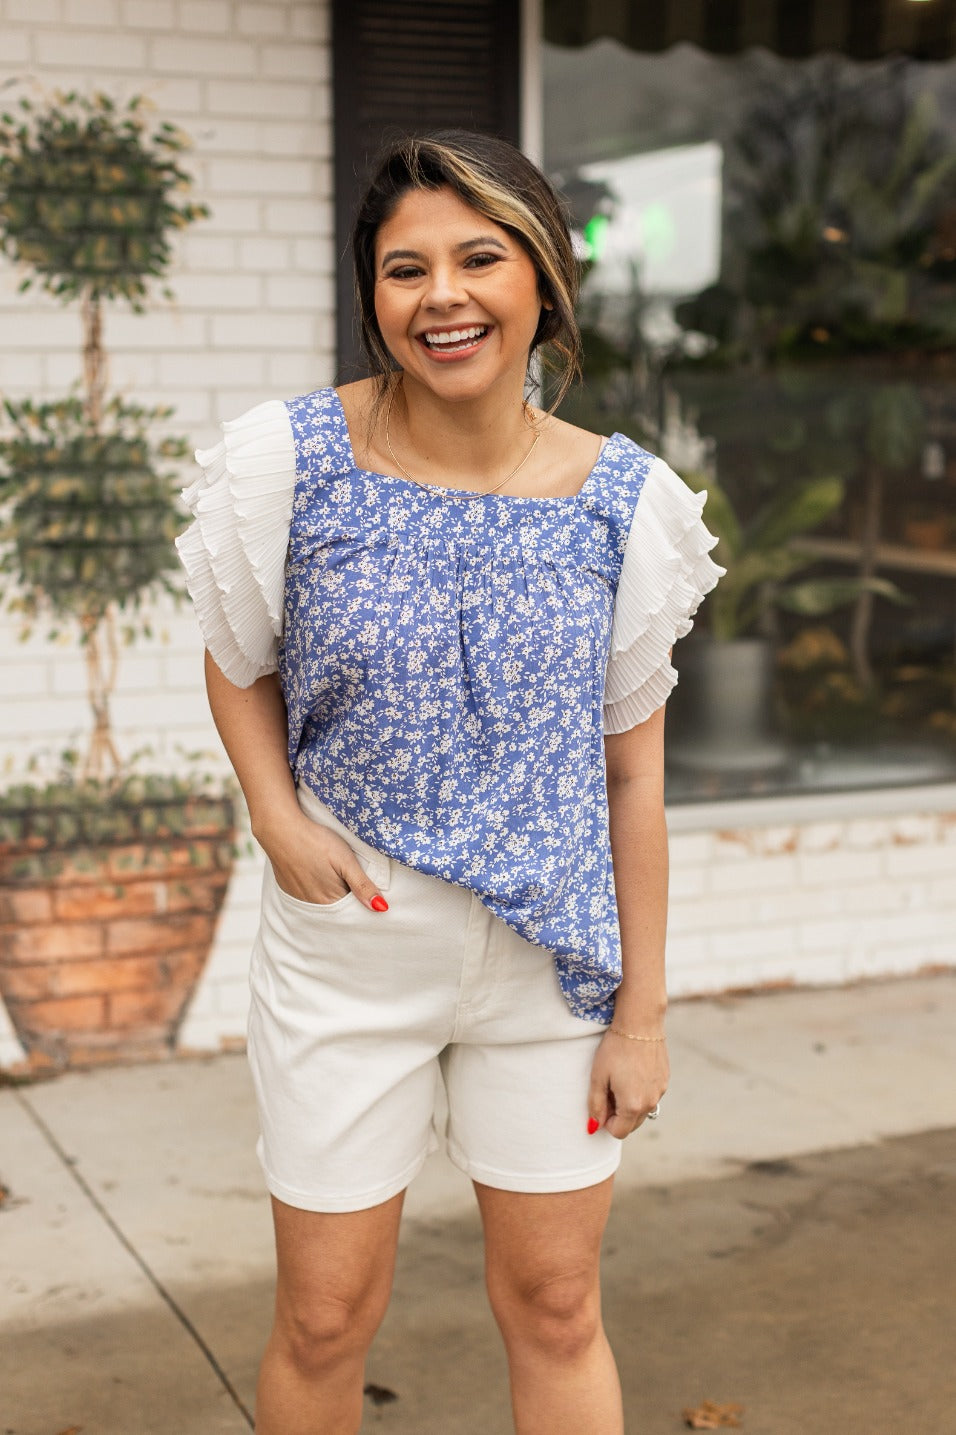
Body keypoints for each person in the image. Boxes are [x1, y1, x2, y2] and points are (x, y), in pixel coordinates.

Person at [177, 129, 723, 1435]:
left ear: (543, 280)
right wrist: (274, 816)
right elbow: (238, 657)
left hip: (552, 971)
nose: (443, 297)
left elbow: (631, 778)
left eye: (480, 258)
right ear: (372, 295)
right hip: (350, 951)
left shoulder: (626, 503)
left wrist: (641, 1014)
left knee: (557, 1306)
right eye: (405, 268)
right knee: (324, 1318)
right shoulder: (291, 461)